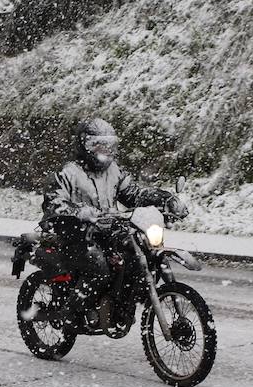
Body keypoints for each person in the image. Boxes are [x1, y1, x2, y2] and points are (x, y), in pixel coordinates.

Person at [40, 117, 187, 274]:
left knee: (141, 256)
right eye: (97, 145)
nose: (104, 151)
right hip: (77, 237)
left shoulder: (113, 171)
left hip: (109, 234)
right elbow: (54, 204)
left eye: (108, 145)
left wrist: (164, 199)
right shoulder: (67, 173)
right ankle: (80, 298)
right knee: (99, 270)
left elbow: (134, 194)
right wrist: (80, 212)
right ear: (84, 146)